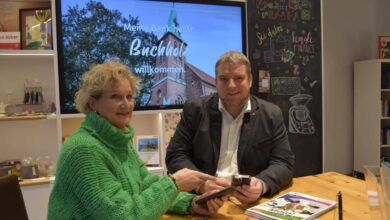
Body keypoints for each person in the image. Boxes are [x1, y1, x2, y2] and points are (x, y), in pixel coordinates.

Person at [47, 60, 225, 220]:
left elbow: (146, 187)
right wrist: (174, 184)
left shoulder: (119, 140)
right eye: (115, 97)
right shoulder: (83, 150)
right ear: (93, 104)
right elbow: (122, 215)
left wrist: (192, 203)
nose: (126, 104)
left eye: (129, 96)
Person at [166, 51, 295, 204]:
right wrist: (202, 184)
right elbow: (176, 155)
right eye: (224, 79)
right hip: (204, 200)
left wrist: (261, 185)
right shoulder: (194, 110)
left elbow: (284, 163)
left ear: (250, 80)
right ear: (216, 82)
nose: (231, 85)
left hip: (250, 203)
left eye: (239, 78)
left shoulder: (271, 114)